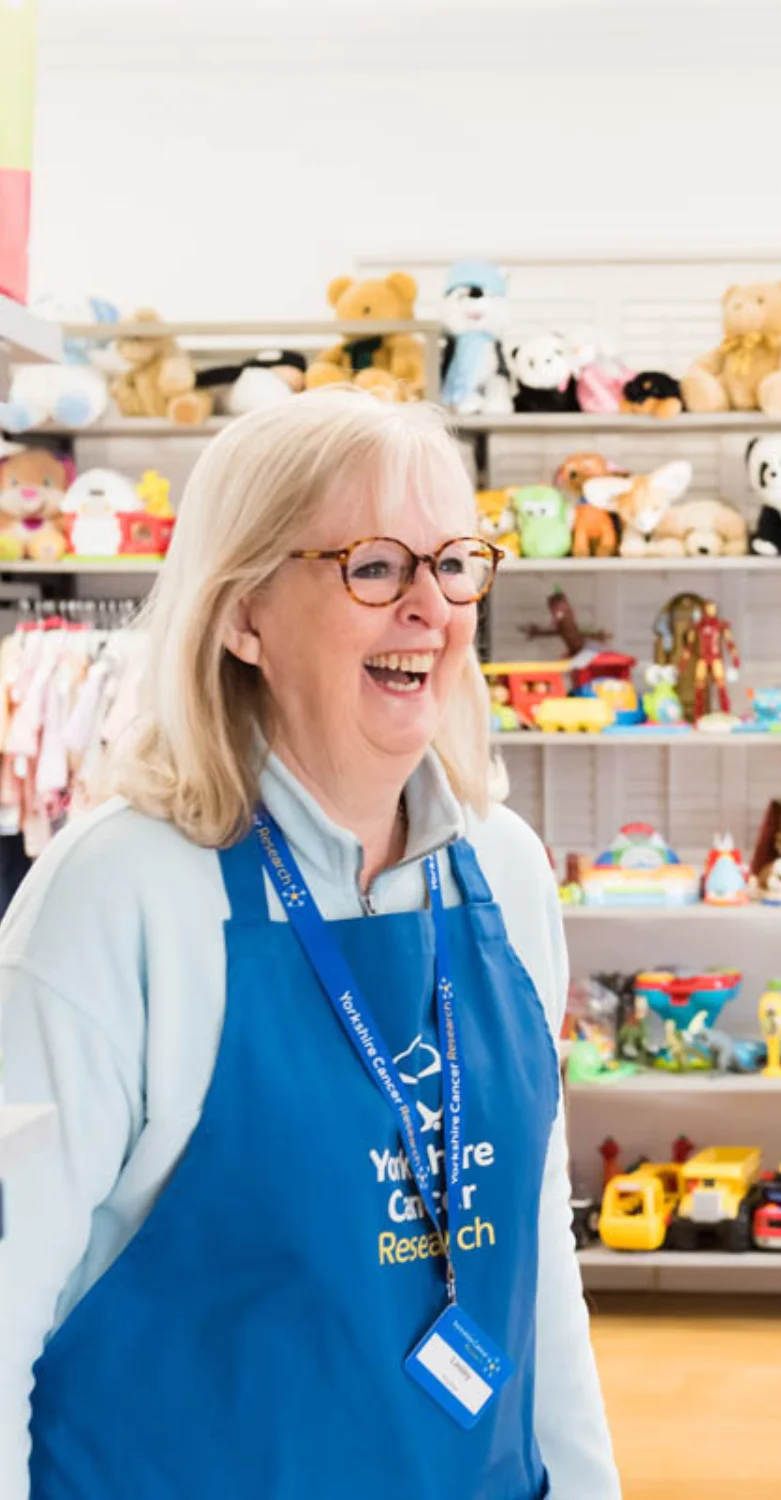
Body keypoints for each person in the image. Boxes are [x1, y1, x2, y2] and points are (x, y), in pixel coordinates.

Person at [0, 390, 619, 1499]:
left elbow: (533, 1262)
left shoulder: (508, 876)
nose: (430, 608)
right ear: (243, 614)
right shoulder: (122, 895)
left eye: (454, 563)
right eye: (374, 566)